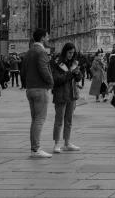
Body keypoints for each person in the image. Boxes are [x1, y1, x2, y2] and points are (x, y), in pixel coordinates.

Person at [22, 28, 54, 158]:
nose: (48, 39)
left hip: (30, 89)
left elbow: (23, 71)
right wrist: (51, 82)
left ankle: (34, 148)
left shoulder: (29, 52)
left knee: (34, 120)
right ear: (42, 38)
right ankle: (36, 149)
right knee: (39, 120)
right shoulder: (41, 52)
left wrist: (29, 81)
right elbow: (44, 70)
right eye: (47, 36)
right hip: (40, 89)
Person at [51, 42, 83, 153]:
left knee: (69, 120)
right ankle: (56, 143)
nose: (71, 55)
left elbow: (78, 78)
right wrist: (70, 73)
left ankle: (67, 142)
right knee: (59, 120)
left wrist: (78, 73)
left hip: (72, 93)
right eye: (69, 52)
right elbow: (56, 79)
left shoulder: (73, 63)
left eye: (73, 53)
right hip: (60, 94)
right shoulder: (57, 63)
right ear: (65, 52)